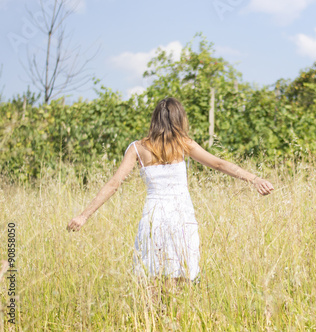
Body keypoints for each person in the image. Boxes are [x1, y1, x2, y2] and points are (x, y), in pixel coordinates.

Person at [66, 97, 274, 294]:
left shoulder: (138, 148)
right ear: (179, 119)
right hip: (181, 217)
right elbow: (219, 164)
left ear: (154, 119)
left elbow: (114, 184)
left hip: (153, 218)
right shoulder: (184, 143)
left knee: (152, 278)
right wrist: (254, 179)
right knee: (181, 279)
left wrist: (84, 215)